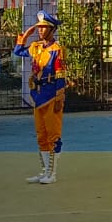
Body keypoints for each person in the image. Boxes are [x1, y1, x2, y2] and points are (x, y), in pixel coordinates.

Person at [16, 11, 66, 185]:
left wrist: (60, 97)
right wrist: (26, 35)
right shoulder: (36, 47)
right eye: (39, 27)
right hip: (38, 94)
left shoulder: (56, 50)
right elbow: (18, 51)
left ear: (52, 29)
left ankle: (52, 172)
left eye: (44, 27)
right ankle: (44, 170)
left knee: (53, 134)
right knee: (41, 134)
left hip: (51, 94)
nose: (40, 30)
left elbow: (60, 74)